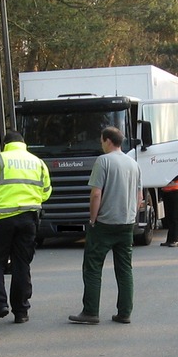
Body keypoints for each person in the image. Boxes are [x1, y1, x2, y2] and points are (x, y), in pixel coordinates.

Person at [0, 130, 51, 326]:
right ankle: (21, 311)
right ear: (23, 143)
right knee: (21, 263)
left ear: (5, 144)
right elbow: (46, 192)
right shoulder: (37, 162)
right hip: (28, 219)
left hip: (1, 219)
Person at [70, 127, 142, 325]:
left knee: (92, 267)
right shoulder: (133, 164)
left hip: (104, 223)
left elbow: (96, 194)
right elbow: (139, 196)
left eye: (102, 140)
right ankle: (125, 312)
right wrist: (132, 216)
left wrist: (93, 219)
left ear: (108, 141)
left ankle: (91, 311)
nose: (101, 144)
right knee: (124, 269)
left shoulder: (103, 161)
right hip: (126, 223)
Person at [160, 177, 178, 247]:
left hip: (176, 190)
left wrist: (170, 178)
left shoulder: (177, 166)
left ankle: (175, 240)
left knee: (176, 216)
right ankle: (169, 239)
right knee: (169, 216)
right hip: (166, 190)